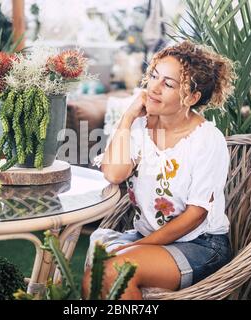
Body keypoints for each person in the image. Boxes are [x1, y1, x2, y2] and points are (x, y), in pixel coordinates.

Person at [82, 40, 237, 300]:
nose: (153, 88)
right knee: (96, 278)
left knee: (110, 273)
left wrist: (136, 247)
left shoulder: (208, 139)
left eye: (168, 84)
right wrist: (127, 118)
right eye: (154, 76)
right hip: (148, 237)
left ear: (192, 97)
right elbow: (114, 174)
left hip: (200, 244)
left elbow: (196, 215)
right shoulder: (139, 126)